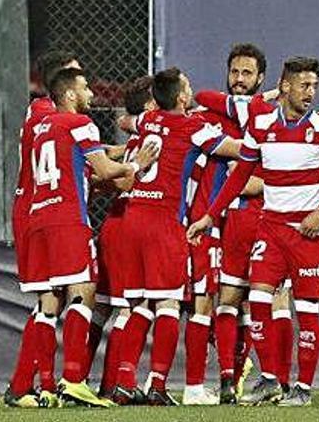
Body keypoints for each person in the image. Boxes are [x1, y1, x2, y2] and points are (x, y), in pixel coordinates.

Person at [188, 57, 319, 407]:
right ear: (286, 85)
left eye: (314, 86)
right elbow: (237, 176)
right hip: (272, 229)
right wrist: (209, 216)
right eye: (304, 85)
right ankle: (271, 378)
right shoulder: (261, 126)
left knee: (306, 309)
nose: (311, 93)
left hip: (308, 233)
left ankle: (303, 388)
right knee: (258, 298)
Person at [27, 67, 158, 408]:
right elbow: (103, 170)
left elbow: (81, 168)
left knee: (47, 302)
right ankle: (72, 379)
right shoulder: (79, 124)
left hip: (39, 218)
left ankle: (45, 387)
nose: (91, 94)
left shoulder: (41, 129)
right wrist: (137, 164)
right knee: (82, 293)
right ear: (69, 94)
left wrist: (113, 157)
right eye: (85, 88)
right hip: (70, 221)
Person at [110, 67, 242, 406]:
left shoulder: (147, 121)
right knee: (168, 304)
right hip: (164, 222)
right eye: (188, 87)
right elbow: (236, 150)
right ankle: (157, 385)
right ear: (182, 97)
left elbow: (127, 122)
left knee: (137, 304)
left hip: (132, 218)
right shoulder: (194, 127)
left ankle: (125, 381)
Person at [191, 43, 295, 403]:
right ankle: (228, 380)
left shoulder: (267, 113)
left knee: (271, 300)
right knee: (230, 299)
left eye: (247, 73)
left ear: (261, 77)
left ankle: (276, 379)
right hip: (231, 217)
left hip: (268, 216)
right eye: (234, 72)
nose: (239, 79)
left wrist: (260, 178)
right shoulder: (237, 112)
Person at [5, 50, 80, 408]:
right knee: (49, 298)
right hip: (37, 210)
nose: (83, 81)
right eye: (76, 75)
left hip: (38, 209)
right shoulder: (49, 116)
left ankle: (26, 383)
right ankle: (27, 384)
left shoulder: (41, 113)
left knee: (53, 298)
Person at [92, 76, 157, 400]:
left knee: (102, 309)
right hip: (131, 225)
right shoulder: (152, 140)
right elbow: (129, 183)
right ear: (149, 106)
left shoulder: (133, 138)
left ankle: (81, 380)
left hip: (114, 224)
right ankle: (118, 383)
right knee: (130, 307)